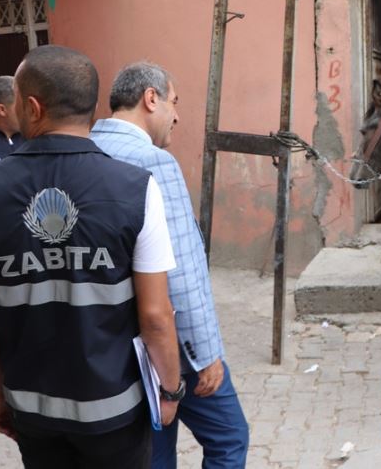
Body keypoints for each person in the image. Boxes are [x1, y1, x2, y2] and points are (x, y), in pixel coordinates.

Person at [0, 45, 183, 468]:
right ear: (91, 105)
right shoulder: (136, 188)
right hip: (115, 409)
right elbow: (157, 316)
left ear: (31, 106)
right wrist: (169, 391)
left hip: (33, 409)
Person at [91, 62, 249, 468]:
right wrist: (206, 353)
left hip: (113, 347)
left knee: (155, 449)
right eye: (174, 103)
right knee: (229, 438)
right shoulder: (153, 162)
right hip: (171, 347)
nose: (177, 115)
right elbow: (178, 272)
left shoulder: (87, 151)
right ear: (150, 98)